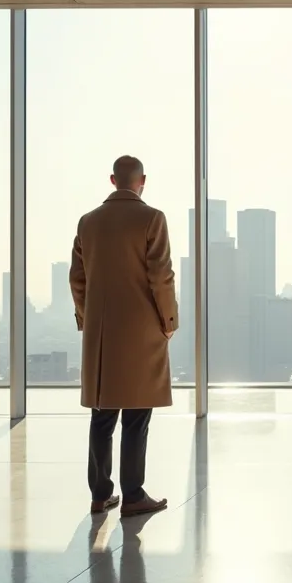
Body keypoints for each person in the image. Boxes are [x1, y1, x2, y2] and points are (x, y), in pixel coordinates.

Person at [70, 155, 178, 517]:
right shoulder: (152, 219)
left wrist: (88, 320)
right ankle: (133, 496)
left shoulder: (88, 222)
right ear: (142, 180)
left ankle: (100, 494)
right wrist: (169, 320)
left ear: (112, 180)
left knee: (102, 415)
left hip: (101, 335)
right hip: (141, 330)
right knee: (136, 416)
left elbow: (78, 279)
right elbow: (160, 275)